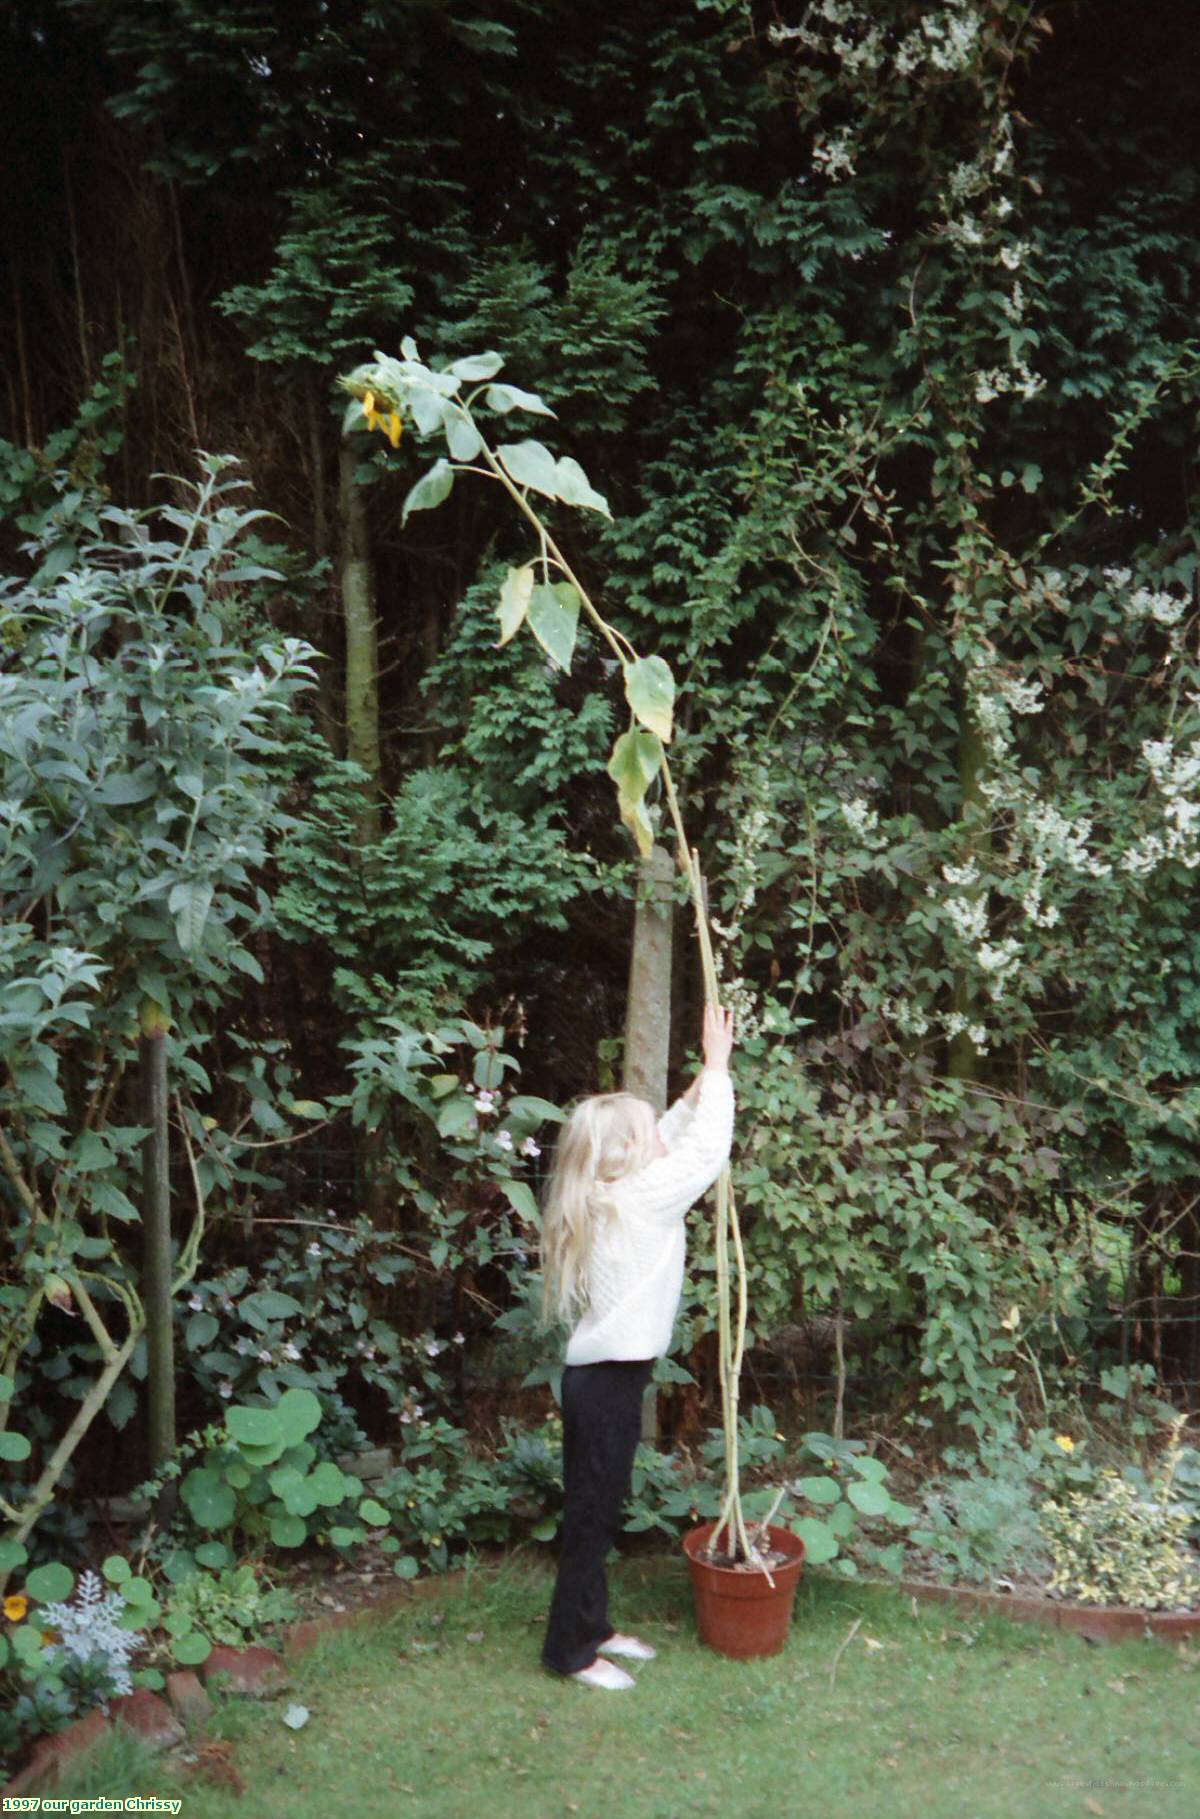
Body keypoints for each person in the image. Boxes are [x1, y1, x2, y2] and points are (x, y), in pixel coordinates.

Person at [537, 1002, 736, 1690]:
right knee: (592, 1514)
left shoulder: (614, 1186)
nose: (658, 1135)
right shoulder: (639, 1197)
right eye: (647, 1131)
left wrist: (690, 1095)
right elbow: (704, 1153)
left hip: (604, 1381)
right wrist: (716, 1068)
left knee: (602, 1504)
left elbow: (674, 1137)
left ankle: (592, 1626)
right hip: (606, 1383)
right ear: (628, 1154)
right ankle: (569, 1651)